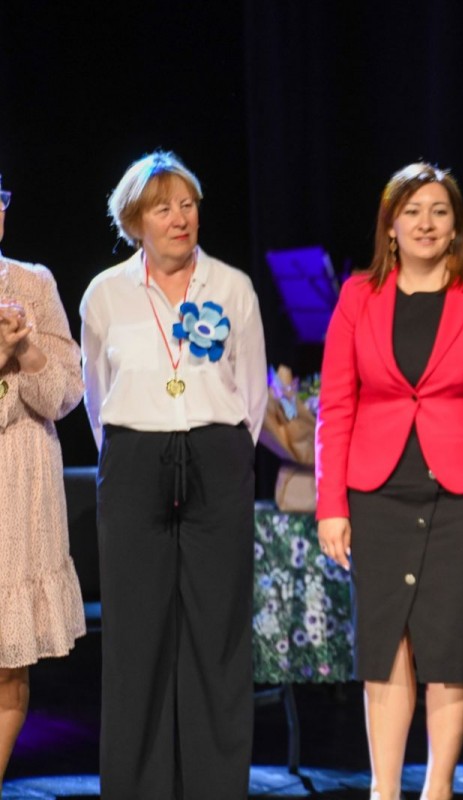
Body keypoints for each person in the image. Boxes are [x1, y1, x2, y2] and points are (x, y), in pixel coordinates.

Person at [315, 163, 463, 800]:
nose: (426, 223)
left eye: (439, 211)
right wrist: (332, 505)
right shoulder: (357, 296)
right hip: (376, 492)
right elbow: (335, 405)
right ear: (390, 225)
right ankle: (385, 790)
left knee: (448, 647)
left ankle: (437, 788)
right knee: (386, 649)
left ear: (456, 224)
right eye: (412, 211)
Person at [80, 151, 267, 799]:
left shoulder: (232, 286)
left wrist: (222, 449)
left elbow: (253, 393)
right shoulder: (105, 294)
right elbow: (96, 397)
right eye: (163, 207)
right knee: (136, 634)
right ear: (135, 221)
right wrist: (137, 449)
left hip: (216, 454)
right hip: (134, 459)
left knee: (218, 632)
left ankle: (216, 786)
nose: (179, 218)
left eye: (187, 204)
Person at [0, 174, 87, 785]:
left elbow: (65, 395)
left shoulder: (35, 282)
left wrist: (27, 349)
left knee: (8, 668)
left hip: (23, 493)